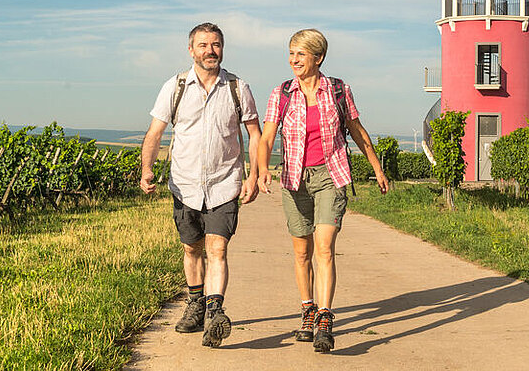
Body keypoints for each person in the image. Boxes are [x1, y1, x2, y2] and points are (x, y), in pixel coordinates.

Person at [256, 28, 389, 354]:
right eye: (291, 54)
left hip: (331, 176)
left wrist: (376, 167)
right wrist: (260, 170)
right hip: (294, 179)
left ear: (318, 57)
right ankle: (308, 309)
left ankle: (325, 318)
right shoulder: (282, 93)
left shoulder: (339, 91)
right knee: (302, 252)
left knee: (324, 247)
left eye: (300, 54)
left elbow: (357, 131)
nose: (293, 60)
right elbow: (267, 136)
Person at [140, 22, 261, 349]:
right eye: (204, 45)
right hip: (185, 185)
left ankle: (215, 311)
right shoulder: (175, 87)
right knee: (191, 248)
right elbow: (155, 133)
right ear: (191, 50)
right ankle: (195, 305)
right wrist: (147, 170)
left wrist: (253, 175)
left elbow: (255, 135)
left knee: (217, 249)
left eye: (216, 44)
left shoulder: (238, 88)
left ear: (222, 48)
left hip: (225, 184)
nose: (210, 50)